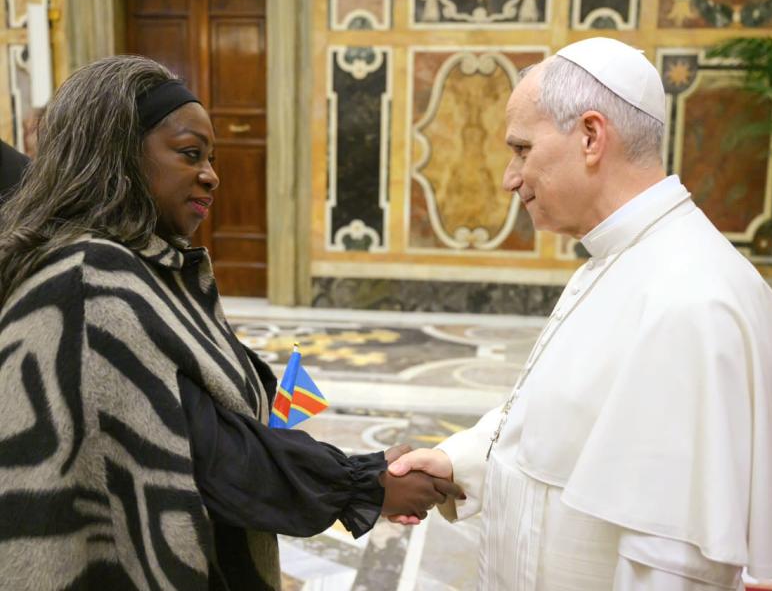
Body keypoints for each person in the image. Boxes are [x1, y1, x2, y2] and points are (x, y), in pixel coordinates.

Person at [0, 55, 461, 591]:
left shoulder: (147, 264)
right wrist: (363, 483)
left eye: (212, 157)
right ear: (119, 154)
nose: (212, 175)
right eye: (190, 154)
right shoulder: (89, 277)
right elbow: (208, 451)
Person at [388, 37, 772, 589]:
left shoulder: (691, 303)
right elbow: (554, 429)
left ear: (589, 136)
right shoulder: (620, 260)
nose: (511, 178)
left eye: (522, 149)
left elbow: (673, 568)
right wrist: (458, 461)